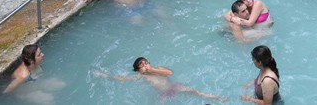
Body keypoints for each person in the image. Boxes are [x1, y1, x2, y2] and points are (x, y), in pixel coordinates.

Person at [96, 56, 228, 101]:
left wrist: (153, 70)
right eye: (141, 65)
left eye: (146, 62)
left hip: (174, 86)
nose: (145, 65)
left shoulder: (158, 68)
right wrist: (105, 75)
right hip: (164, 93)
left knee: (196, 91)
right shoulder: (140, 76)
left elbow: (170, 73)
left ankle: (216, 98)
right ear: (138, 70)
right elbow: (122, 79)